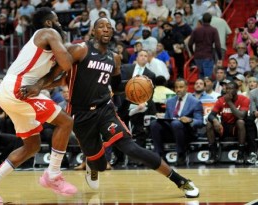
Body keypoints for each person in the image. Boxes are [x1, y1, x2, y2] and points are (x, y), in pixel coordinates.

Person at [20, 17, 199, 198]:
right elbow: (56, 74)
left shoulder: (115, 58)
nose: (106, 29)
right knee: (99, 165)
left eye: (109, 27)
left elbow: (115, 87)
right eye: (101, 26)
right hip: (80, 115)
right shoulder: (80, 50)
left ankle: (180, 180)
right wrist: (39, 85)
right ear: (93, 31)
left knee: (131, 148)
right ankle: (92, 164)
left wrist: (136, 85)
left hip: (105, 110)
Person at [0, 7, 77, 203]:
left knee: (32, 146)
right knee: (66, 122)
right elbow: (68, 64)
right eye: (57, 20)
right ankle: (53, 175)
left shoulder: (46, 46)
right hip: (17, 88)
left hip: (9, 90)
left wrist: (42, 83)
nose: (60, 24)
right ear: (48, 23)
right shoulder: (49, 33)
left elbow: (58, 79)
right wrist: (74, 52)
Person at [150, 79, 204, 166]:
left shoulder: (195, 102)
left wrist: (190, 120)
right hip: (172, 130)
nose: (178, 89)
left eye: (181, 87)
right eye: (176, 87)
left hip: (186, 132)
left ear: (186, 88)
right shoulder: (170, 101)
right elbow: (167, 119)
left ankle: (181, 155)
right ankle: (159, 155)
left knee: (176, 123)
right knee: (154, 123)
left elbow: (200, 122)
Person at [206, 81, 249, 165]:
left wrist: (229, 102)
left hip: (236, 128)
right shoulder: (221, 100)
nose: (228, 91)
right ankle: (213, 154)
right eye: (227, 89)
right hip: (223, 127)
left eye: (231, 89)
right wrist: (215, 120)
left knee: (240, 122)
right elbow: (211, 115)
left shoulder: (244, 99)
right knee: (209, 124)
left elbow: (241, 116)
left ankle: (240, 154)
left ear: (237, 90)